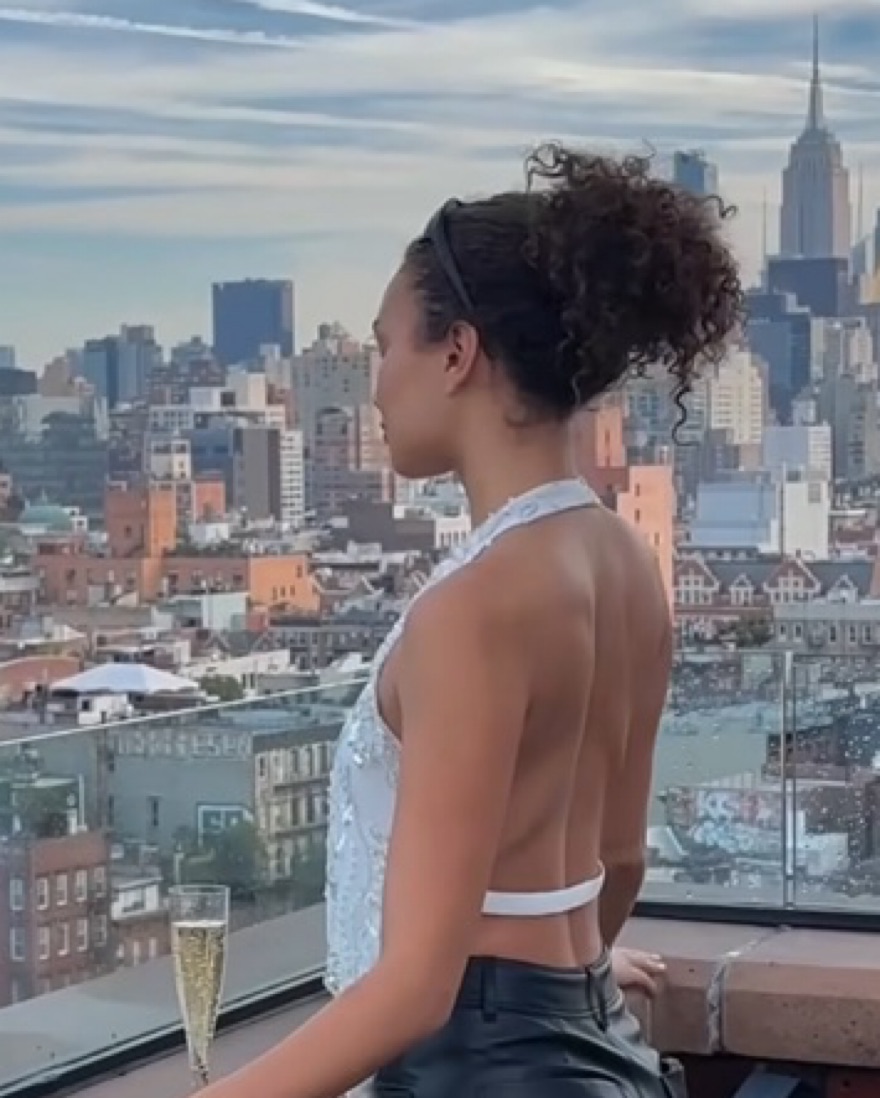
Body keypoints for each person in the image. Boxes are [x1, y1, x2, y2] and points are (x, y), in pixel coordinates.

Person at [196, 143, 742, 1098]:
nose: (373, 382)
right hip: (593, 1044)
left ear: (457, 353)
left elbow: (413, 991)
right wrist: (552, 984)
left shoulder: (473, 608)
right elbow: (617, 861)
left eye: (385, 346)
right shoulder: (626, 563)